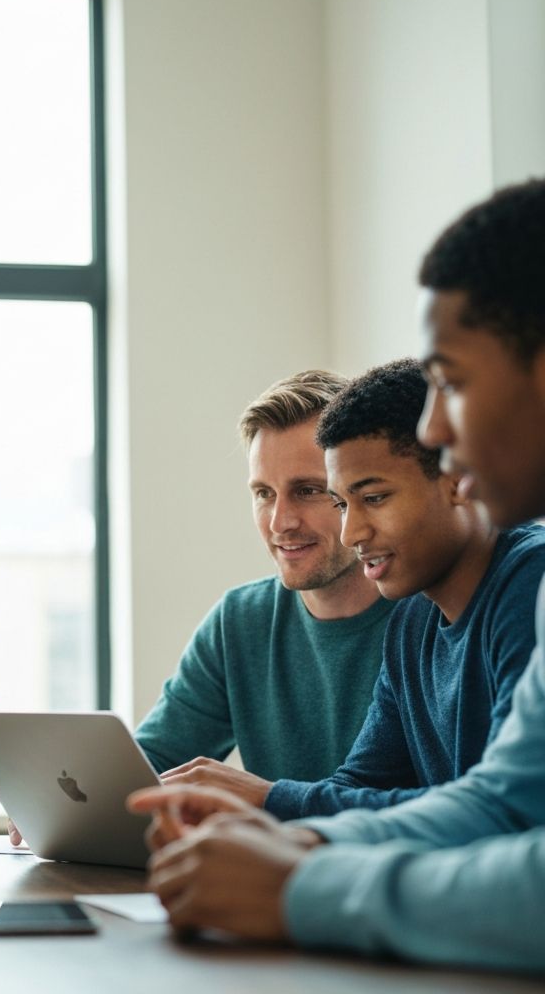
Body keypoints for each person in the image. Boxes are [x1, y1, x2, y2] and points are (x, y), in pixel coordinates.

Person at [128, 178, 545, 972]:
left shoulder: (525, 581)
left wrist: (299, 882)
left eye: (452, 382)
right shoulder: (422, 615)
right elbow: (499, 798)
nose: (434, 428)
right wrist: (295, 835)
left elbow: (518, 841)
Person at [187, 358, 545, 820]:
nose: (351, 532)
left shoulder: (530, 585)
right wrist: (261, 830)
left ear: (458, 478)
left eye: (373, 498)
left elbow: (499, 807)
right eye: (340, 503)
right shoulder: (413, 620)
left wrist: (266, 800)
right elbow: (359, 786)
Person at [134, 371, 393, 789]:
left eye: (308, 490)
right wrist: (65, 793)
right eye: (263, 493)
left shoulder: (428, 615)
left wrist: (263, 800)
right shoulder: (240, 621)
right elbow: (152, 761)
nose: (280, 522)